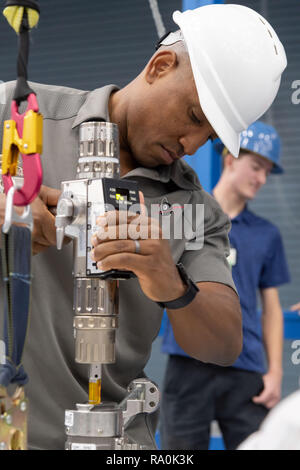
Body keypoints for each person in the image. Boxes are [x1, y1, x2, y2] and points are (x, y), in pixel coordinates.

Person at [0, 5, 287, 450]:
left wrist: (168, 279)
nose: (190, 145)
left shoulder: (195, 210)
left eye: (209, 137)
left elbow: (224, 343)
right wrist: (8, 208)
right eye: (194, 116)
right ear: (160, 66)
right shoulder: (19, 116)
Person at [160, 121, 290, 450]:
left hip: (245, 368)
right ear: (231, 160)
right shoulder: (187, 218)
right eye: (256, 167)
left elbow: (271, 309)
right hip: (188, 360)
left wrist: (274, 372)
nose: (261, 179)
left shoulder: (267, 234)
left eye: (267, 171)